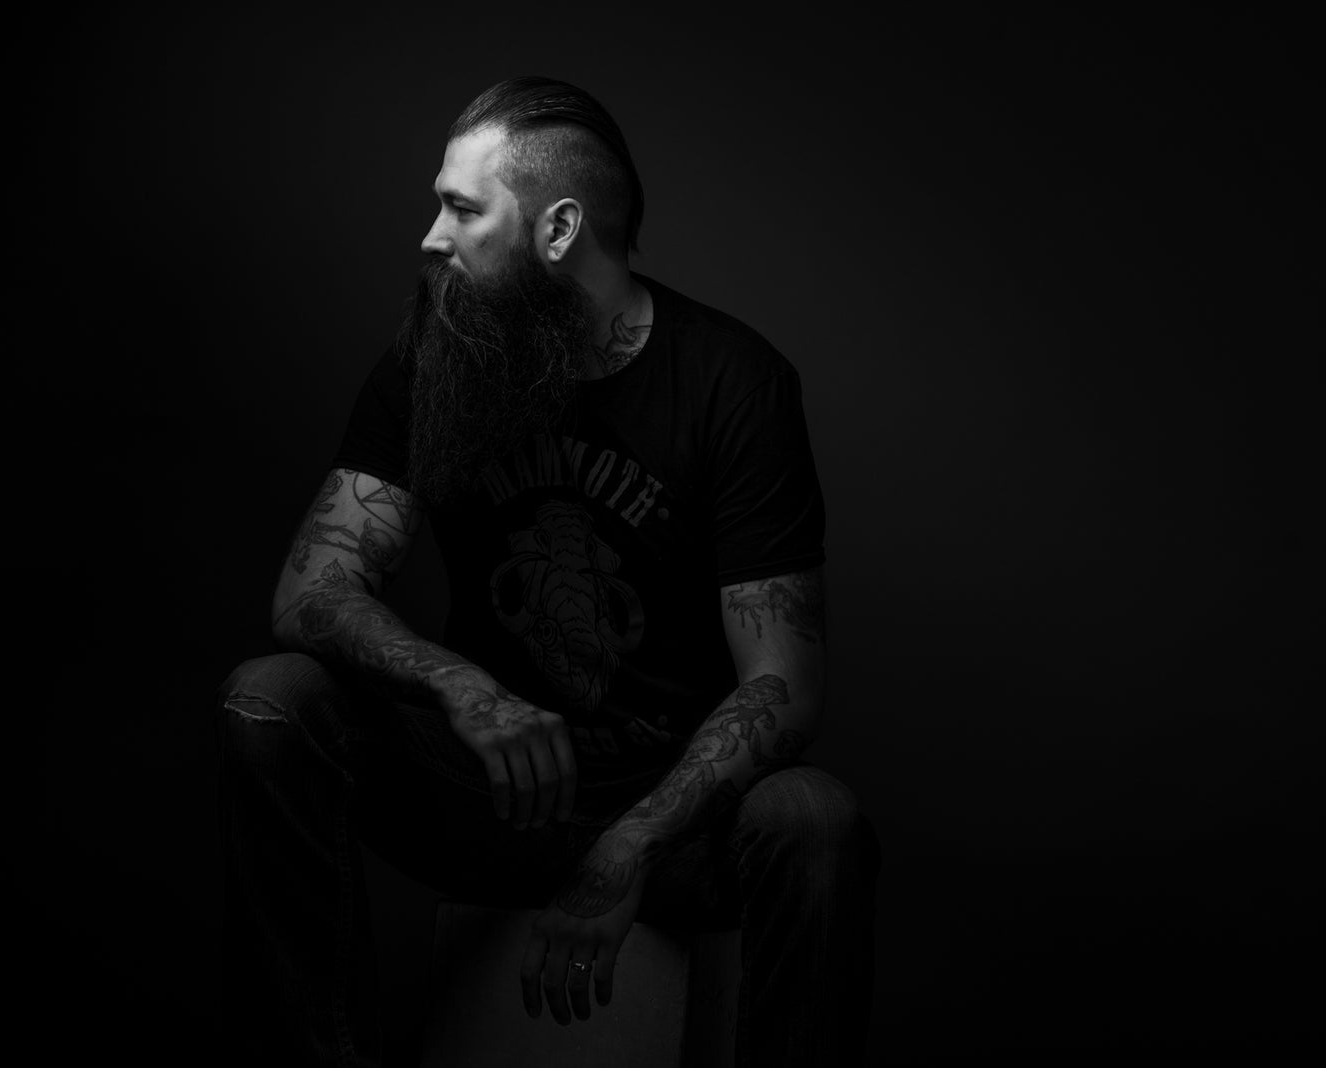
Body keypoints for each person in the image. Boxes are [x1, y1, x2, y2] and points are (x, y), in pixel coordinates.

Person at [216, 75, 880, 1067]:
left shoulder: (731, 383)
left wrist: (632, 843)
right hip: (489, 794)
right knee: (271, 703)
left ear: (558, 229)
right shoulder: (433, 359)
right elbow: (309, 592)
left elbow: (783, 686)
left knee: (812, 818)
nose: (431, 237)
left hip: (667, 819)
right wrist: (462, 687)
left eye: (461, 207)